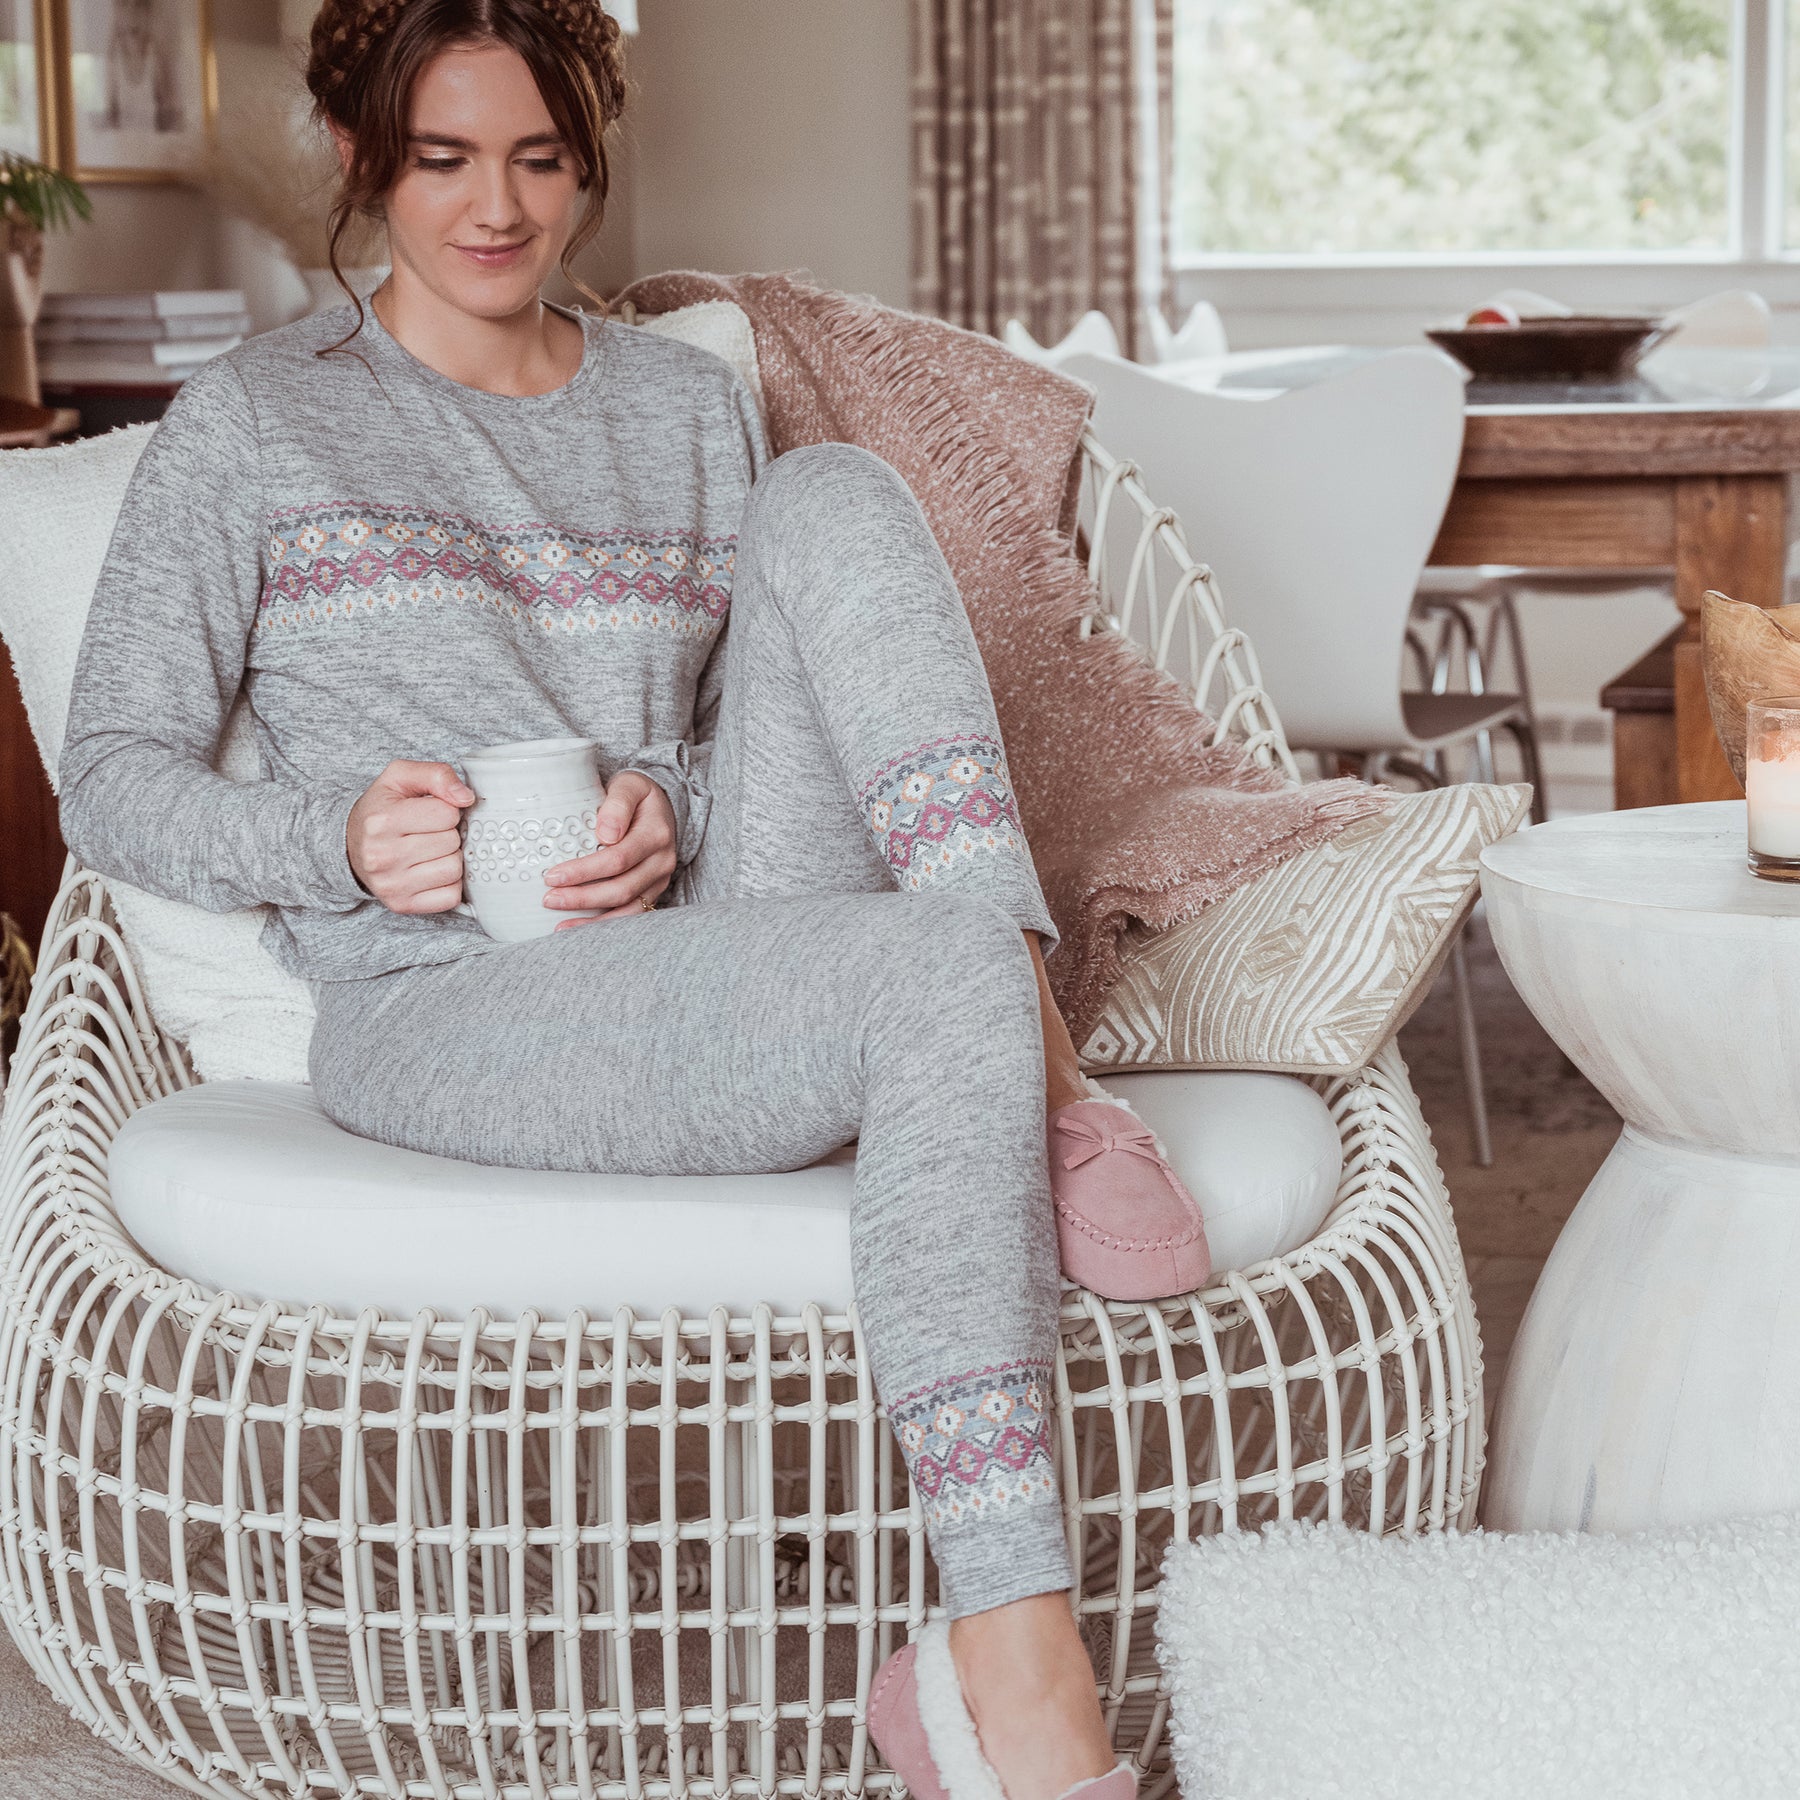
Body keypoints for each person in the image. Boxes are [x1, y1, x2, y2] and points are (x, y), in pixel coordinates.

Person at [57, 2, 1208, 1795]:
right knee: (939, 977)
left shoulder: (681, 404)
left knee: (837, 493)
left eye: (539, 159)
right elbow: (109, 775)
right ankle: (1019, 1671)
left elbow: (750, 734)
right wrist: (331, 838)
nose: (496, 208)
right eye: (444, 160)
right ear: (363, 158)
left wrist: (667, 812)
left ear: (588, 162)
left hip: (703, 944)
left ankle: (1043, 1075)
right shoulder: (256, 425)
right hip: (443, 1007)